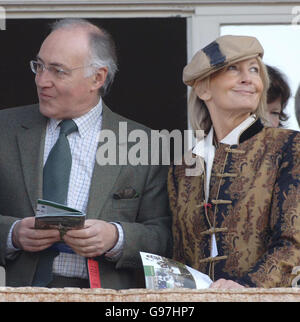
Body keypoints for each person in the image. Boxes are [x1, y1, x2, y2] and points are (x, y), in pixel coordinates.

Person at [0, 18, 172, 288]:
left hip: (104, 297)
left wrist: (116, 237)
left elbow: (165, 235)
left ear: (97, 78)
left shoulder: (143, 143)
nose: (42, 80)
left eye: (58, 71)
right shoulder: (4, 130)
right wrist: (12, 234)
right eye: (39, 66)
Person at [168, 35, 300, 288]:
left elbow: (294, 241)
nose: (248, 79)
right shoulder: (183, 167)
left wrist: (246, 287)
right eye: (233, 69)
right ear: (204, 88)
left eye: (254, 70)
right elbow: (180, 254)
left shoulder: (290, 146)